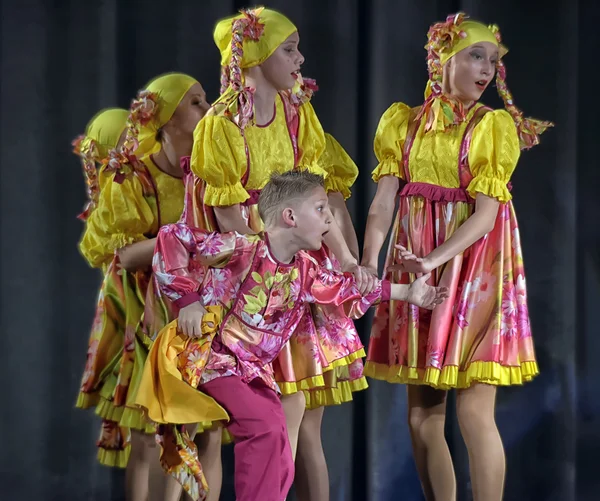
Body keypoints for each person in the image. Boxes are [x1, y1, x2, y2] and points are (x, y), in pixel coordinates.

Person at [136, 170, 449, 501]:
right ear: (289, 216)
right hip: (210, 357)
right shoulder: (241, 249)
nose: (329, 217)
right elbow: (172, 236)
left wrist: (406, 293)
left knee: (279, 440)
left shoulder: (305, 272)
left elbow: (346, 289)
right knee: (263, 427)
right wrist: (188, 301)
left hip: (252, 372)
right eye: (319, 209)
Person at [181, 8, 374, 500]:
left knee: (306, 427)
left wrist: (347, 262)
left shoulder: (296, 112)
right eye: (288, 49)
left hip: (299, 272)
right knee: (274, 428)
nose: (300, 58)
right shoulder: (220, 126)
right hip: (258, 290)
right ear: (257, 54)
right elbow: (231, 228)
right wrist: (279, 273)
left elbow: (318, 198)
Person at [361, 13, 553, 501]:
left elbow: (486, 216)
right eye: (475, 56)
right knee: (423, 414)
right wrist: (368, 260)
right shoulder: (402, 123)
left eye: (492, 60)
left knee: (472, 411)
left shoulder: (491, 126)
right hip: (418, 262)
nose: (487, 68)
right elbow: (384, 202)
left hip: (474, 268)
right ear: (442, 59)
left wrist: (432, 262)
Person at [77, 72, 211, 501]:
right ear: (167, 120)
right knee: (147, 434)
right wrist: (182, 241)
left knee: (199, 433)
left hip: (196, 311)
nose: (207, 109)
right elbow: (126, 256)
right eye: (195, 102)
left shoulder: (211, 173)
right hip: (144, 311)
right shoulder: (136, 179)